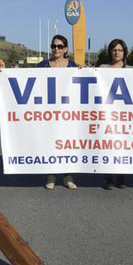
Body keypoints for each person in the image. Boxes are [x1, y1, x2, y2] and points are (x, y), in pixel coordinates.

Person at [37, 34, 77, 190]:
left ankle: (68, 176)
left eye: (60, 46)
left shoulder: (73, 66)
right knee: (51, 143)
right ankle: (51, 175)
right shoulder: (42, 66)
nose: (56, 49)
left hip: (68, 114)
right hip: (49, 113)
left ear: (66, 49)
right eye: (53, 46)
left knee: (67, 144)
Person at [100, 39, 133, 189]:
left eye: (120, 50)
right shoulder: (102, 68)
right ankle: (108, 178)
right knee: (108, 145)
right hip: (107, 114)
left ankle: (121, 177)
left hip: (125, 115)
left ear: (124, 52)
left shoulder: (132, 70)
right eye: (114, 50)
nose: (117, 52)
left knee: (122, 145)